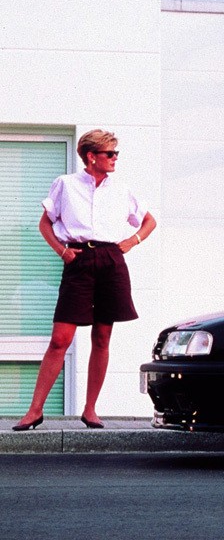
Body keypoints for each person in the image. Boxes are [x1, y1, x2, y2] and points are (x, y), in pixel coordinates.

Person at [12, 130, 156, 431]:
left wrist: (132, 241)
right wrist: (62, 251)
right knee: (60, 339)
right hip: (78, 261)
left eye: (116, 153)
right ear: (91, 157)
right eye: (110, 153)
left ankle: (90, 410)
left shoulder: (121, 189)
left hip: (111, 261)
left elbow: (148, 221)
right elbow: (45, 223)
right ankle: (34, 411)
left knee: (102, 337)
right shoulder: (66, 184)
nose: (115, 158)